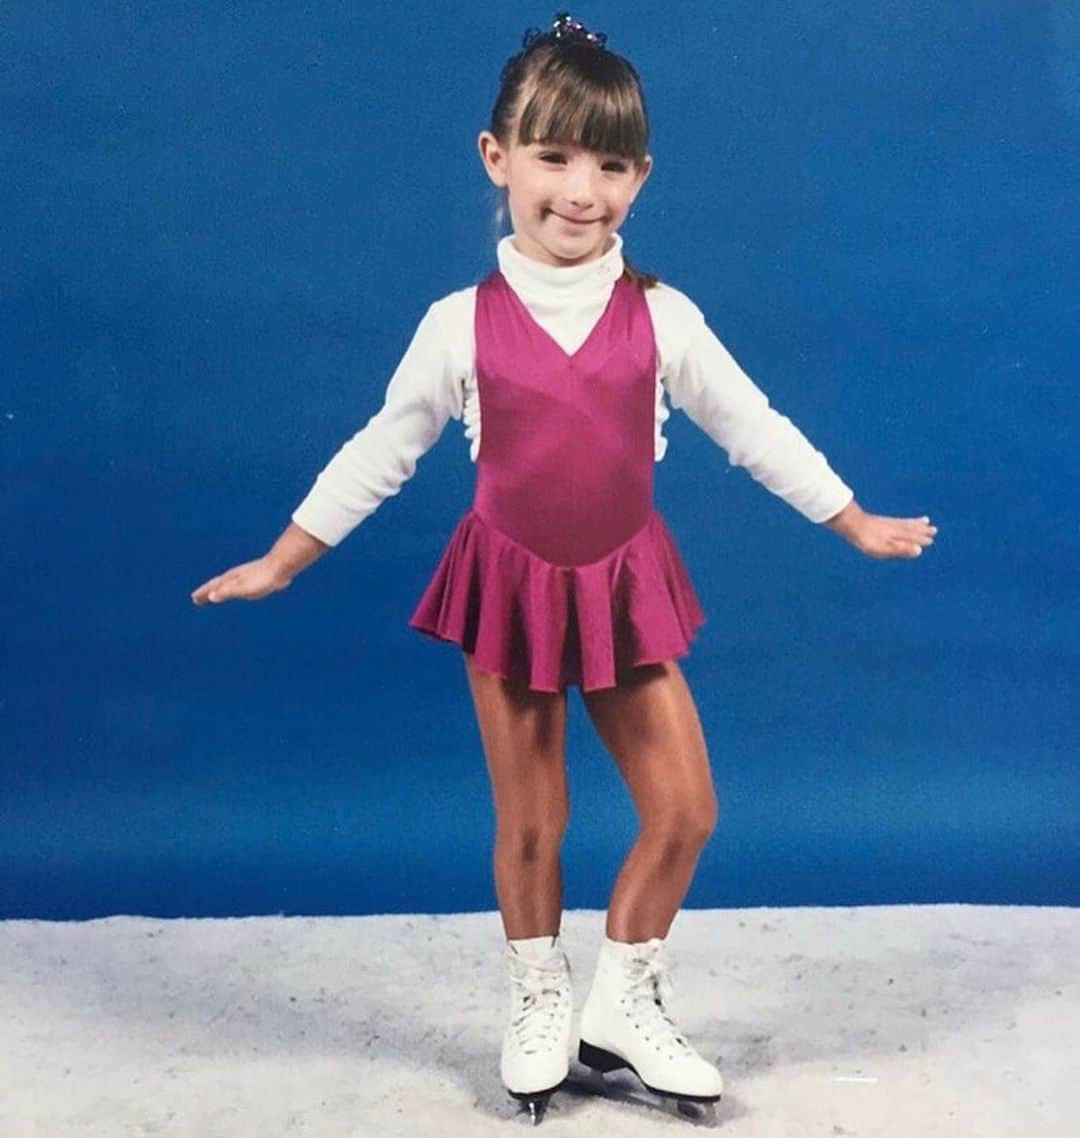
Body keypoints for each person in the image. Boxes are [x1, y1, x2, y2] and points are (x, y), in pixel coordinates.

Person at [191, 10, 937, 1126]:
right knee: (533, 817)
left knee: (685, 810)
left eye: (610, 163)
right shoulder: (458, 325)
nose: (580, 189)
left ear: (641, 177)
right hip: (512, 585)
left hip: (626, 584)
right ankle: (539, 994)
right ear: (497, 160)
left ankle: (623, 1002)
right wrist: (284, 559)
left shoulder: (664, 317)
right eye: (552, 157)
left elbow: (755, 426)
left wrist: (852, 519)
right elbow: (379, 449)